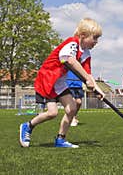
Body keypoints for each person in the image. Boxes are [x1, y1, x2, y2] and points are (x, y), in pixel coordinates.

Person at [19, 18, 105, 148]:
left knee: (72, 109)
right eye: (94, 38)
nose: (96, 42)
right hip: (47, 79)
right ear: (83, 36)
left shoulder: (86, 53)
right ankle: (28, 126)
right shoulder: (71, 43)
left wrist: (98, 89)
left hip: (59, 82)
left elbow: (88, 74)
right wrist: (87, 80)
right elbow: (69, 60)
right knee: (52, 113)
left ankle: (60, 139)